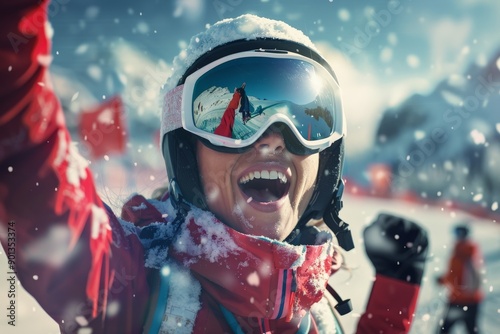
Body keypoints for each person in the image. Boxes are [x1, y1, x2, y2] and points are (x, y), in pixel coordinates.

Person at [0, 1, 428, 333]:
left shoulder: (314, 302)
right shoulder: (131, 290)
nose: (274, 136)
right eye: (234, 118)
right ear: (187, 153)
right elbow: (29, 168)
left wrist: (397, 288)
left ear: (326, 163)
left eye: (307, 117)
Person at [436, 223, 484, 333]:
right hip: (473, 299)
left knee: (444, 330)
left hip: (458, 299)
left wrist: (442, 280)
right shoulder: (473, 251)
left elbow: (453, 276)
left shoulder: (459, 253)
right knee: (471, 329)